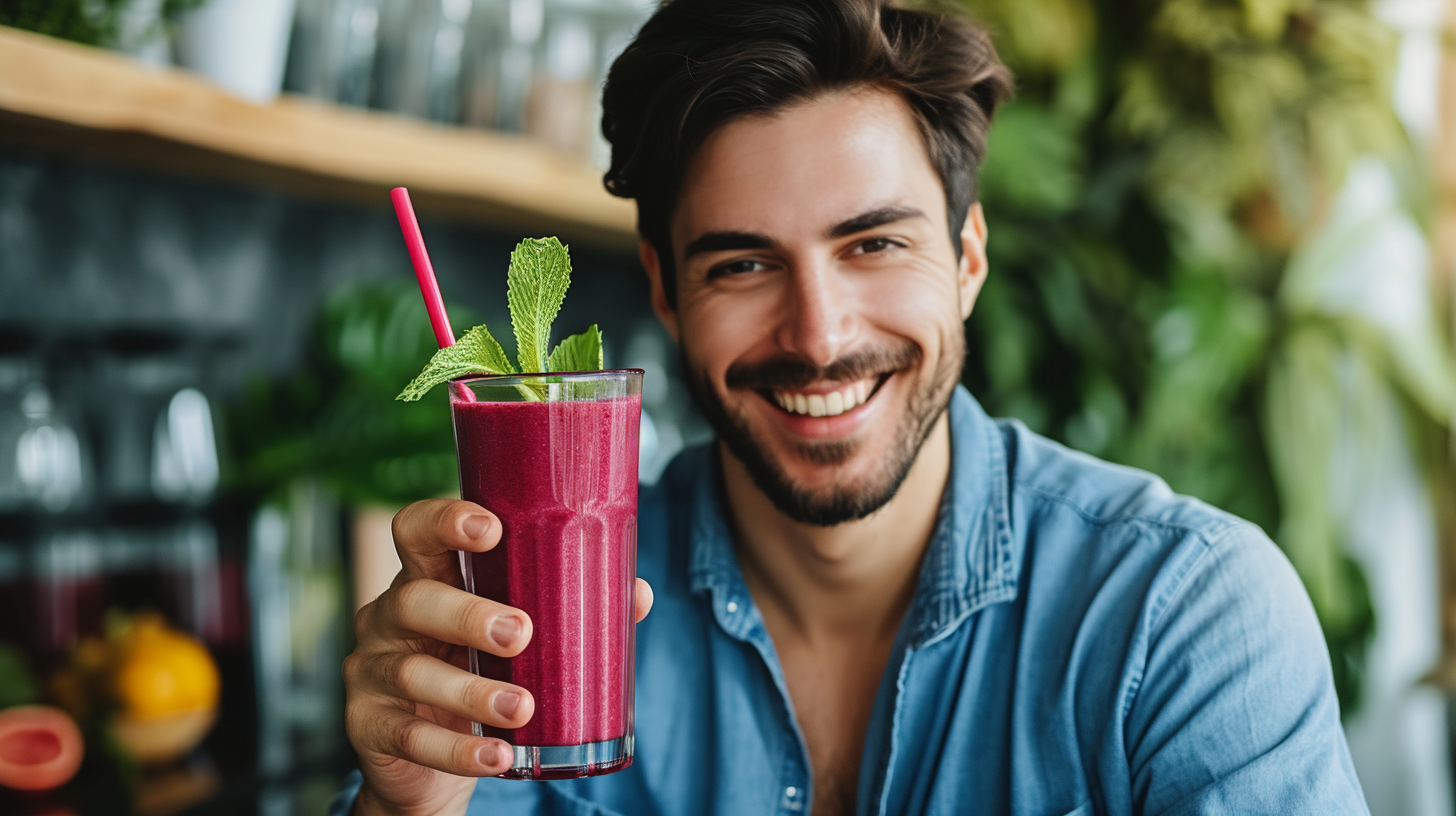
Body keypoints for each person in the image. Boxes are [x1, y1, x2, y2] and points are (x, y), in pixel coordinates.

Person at [333, 0, 1369, 814]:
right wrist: (408, 809)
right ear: (664, 291)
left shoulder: (1183, 619)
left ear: (966, 259)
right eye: (741, 264)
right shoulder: (535, 617)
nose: (819, 336)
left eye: (874, 243)